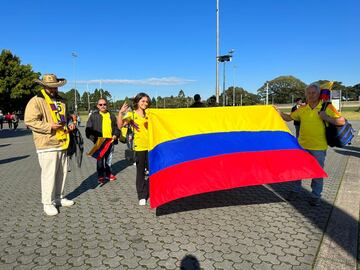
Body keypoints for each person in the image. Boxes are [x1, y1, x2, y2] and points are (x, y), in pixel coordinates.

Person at [276, 83, 345, 206]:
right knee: (297, 170)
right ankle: (295, 191)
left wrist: (326, 117)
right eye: (309, 93)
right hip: (301, 146)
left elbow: (341, 121)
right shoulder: (302, 109)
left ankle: (315, 196)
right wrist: (278, 112)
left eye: (314, 93)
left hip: (319, 147)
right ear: (306, 95)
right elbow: (288, 118)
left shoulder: (327, 107)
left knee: (317, 173)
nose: (311, 95)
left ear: (319, 94)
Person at [24, 74, 75, 216]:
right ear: (44, 86)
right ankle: (47, 203)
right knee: (49, 174)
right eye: (50, 87)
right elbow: (30, 121)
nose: (53, 90)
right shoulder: (36, 101)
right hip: (46, 143)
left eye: (55, 87)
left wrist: (70, 124)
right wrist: (49, 126)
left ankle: (59, 197)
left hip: (63, 141)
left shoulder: (62, 101)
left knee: (62, 172)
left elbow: (68, 117)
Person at [117, 93, 151, 206]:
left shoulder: (150, 113)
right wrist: (121, 113)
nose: (145, 103)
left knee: (154, 170)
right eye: (143, 101)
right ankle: (142, 195)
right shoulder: (131, 114)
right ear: (137, 102)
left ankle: (152, 190)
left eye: (147, 101)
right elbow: (120, 125)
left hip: (152, 146)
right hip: (139, 148)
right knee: (140, 172)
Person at [86, 98, 120, 183]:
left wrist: (116, 134)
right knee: (100, 159)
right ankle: (100, 176)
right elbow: (88, 130)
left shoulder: (111, 115)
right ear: (97, 106)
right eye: (100, 104)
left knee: (109, 159)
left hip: (110, 141)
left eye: (104, 104)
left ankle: (108, 174)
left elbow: (116, 127)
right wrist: (94, 139)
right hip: (99, 141)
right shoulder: (93, 116)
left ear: (107, 105)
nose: (103, 106)